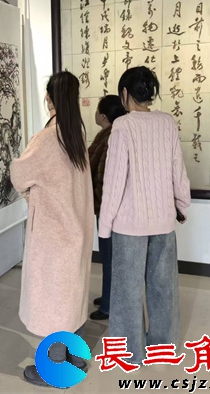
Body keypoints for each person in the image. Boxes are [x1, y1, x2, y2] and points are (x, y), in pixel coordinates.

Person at [98, 66, 191, 364]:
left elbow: (114, 181)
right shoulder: (167, 122)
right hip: (163, 221)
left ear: (125, 93)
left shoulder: (122, 126)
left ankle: (130, 353)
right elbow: (178, 170)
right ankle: (163, 347)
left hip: (130, 225)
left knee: (127, 292)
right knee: (163, 288)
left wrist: (104, 226)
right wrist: (181, 204)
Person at [10, 71, 94, 387]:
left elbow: (19, 174)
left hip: (53, 234)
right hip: (76, 230)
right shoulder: (76, 135)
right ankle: (72, 357)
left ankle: (56, 368)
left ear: (49, 98)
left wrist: (30, 192)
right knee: (71, 296)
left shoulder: (47, 138)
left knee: (54, 299)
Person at [88, 95, 126, 321]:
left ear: (103, 116)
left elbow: (99, 174)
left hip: (107, 208)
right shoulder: (116, 133)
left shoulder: (109, 137)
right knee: (110, 256)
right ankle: (108, 296)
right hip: (113, 208)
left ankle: (109, 305)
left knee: (109, 257)